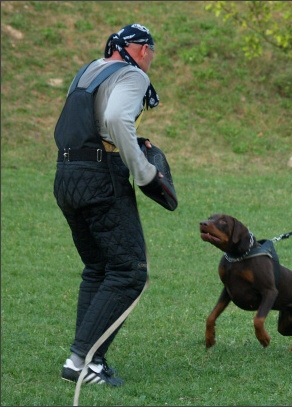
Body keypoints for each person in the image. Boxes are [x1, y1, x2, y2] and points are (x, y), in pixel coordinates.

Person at [54, 23, 162, 385]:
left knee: (98, 268)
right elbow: (116, 120)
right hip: (102, 178)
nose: (151, 60)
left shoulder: (89, 70)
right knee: (129, 272)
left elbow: (91, 123)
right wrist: (144, 172)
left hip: (67, 175)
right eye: (152, 53)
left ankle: (87, 359)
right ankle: (82, 362)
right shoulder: (132, 76)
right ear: (143, 50)